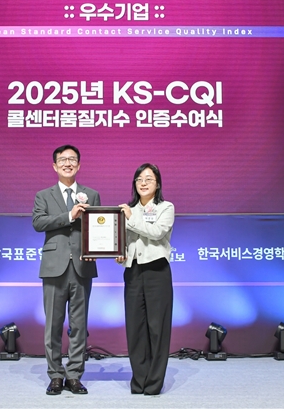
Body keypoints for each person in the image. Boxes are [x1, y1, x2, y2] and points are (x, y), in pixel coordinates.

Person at [32, 144, 100, 396]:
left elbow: (99, 228)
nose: (68, 163)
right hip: (54, 267)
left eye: (72, 159)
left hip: (83, 266)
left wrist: (102, 248)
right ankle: (55, 375)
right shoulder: (43, 195)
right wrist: (69, 216)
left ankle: (74, 375)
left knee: (79, 325)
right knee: (53, 324)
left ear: (79, 165)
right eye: (63, 160)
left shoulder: (91, 194)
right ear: (55, 166)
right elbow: (38, 222)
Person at [116, 163, 175, 396]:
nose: (143, 183)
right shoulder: (128, 209)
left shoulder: (165, 207)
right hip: (133, 272)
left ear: (157, 184)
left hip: (157, 271)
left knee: (157, 328)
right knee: (135, 327)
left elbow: (157, 232)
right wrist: (119, 254)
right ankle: (139, 380)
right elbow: (123, 241)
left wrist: (130, 218)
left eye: (149, 179)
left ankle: (154, 383)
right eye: (139, 179)